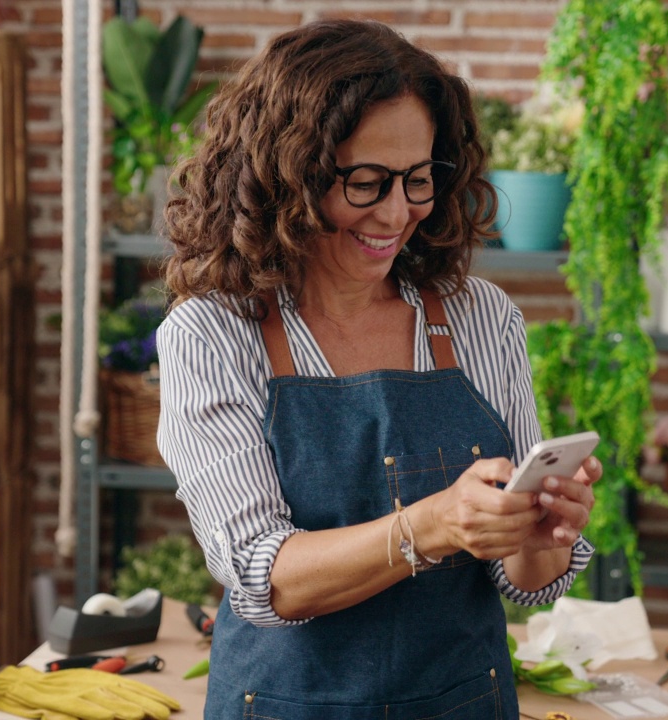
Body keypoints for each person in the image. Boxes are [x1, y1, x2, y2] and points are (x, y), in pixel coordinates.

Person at [157, 19, 601, 719]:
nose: (398, 213)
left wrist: (538, 535)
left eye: (418, 179)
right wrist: (434, 523)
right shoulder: (213, 335)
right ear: (287, 180)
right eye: (365, 183)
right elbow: (265, 579)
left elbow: (525, 581)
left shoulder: (481, 318)